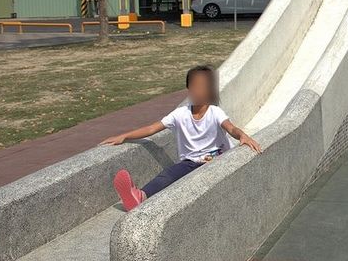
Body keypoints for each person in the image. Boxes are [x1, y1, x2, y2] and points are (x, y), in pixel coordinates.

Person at [102, 65, 262, 211]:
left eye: (203, 87)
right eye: (194, 86)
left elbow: (230, 127)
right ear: (188, 89)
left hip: (218, 158)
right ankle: (141, 195)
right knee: (169, 174)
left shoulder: (215, 112)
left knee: (199, 174)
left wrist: (243, 136)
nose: (198, 90)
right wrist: (124, 136)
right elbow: (152, 128)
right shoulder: (179, 114)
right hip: (191, 163)